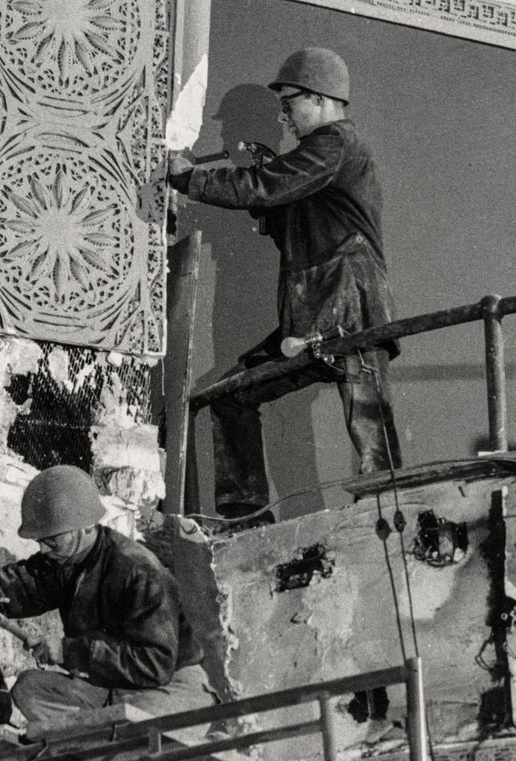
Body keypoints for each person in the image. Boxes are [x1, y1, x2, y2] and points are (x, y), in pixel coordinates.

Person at [168, 47, 401, 526]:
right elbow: (276, 205)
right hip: (312, 313)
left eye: (290, 103)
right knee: (230, 396)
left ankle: (392, 518)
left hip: (348, 305)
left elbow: (263, 187)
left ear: (317, 99)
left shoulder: (336, 142)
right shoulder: (319, 157)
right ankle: (245, 520)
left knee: (370, 430)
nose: (285, 115)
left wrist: (190, 179)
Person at [0, 465, 214, 723]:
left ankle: (106, 739)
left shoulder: (138, 570)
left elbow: (155, 665)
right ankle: (100, 738)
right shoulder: (63, 560)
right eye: (41, 541)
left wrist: (69, 651)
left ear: (84, 528)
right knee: (30, 689)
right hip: (111, 686)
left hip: (170, 687)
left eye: (51, 541)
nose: (43, 550)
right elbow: (3, 586)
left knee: (131, 730)